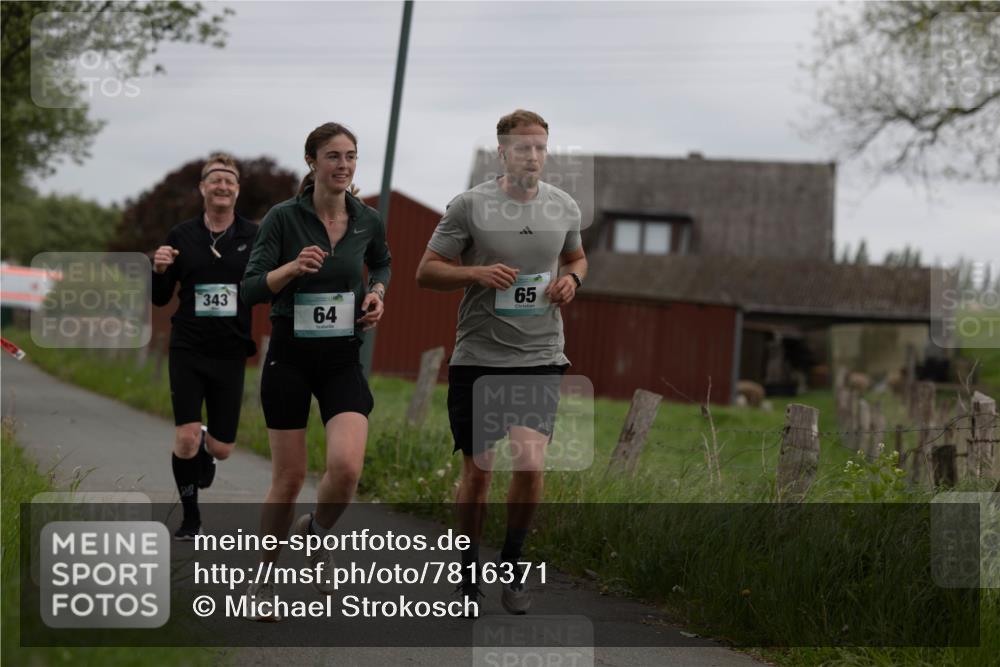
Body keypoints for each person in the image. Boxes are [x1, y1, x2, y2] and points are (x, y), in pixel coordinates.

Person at [416, 109, 587, 615]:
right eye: (522, 148)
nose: (532, 156)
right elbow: (427, 272)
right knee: (479, 473)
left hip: (540, 354)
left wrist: (572, 280)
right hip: (480, 357)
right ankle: (468, 572)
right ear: (502, 152)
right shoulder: (470, 206)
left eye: (540, 147)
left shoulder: (564, 207)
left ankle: (512, 563)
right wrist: (476, 273)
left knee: (530, 464)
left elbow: (576, 257)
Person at [240, 122, 390, 621]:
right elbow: (250, 288)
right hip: (290, 356)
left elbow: (382, 264)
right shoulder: (283, 218)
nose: (343, 165)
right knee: (289, 477)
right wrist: (291, 268)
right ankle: (262, 582)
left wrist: (376, 295)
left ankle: (316, 533)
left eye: (350, 156)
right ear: (312, 161)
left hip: (342, 356)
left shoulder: (367, 220)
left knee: (346, 469)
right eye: (333, 156)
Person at [151, 153, 259, 540]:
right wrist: (159, 270)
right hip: (188, 347)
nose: (222, 186)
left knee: (222, 448)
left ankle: (206, 446)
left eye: (229, 180)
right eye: (215, 179)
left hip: (230, 350)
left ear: (237, 190)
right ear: (202, 188)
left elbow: (267, 285)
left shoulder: (254, 236)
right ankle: (191, 519)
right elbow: (160, 298)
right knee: (185, 437)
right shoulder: (181, 236)